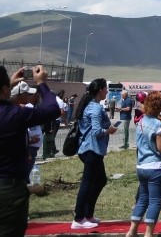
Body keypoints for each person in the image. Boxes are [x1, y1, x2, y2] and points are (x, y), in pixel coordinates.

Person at [0, 65, 60, 237]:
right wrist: (42, 83)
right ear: (4, 88)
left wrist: (9, 85)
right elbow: (52, 110)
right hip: (8, 189)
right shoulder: (14, 114)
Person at [71, 78, 118, 230]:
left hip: (90, 149)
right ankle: (78, 218)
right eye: (106, 89)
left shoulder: (90, 105)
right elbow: (97, 132)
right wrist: (109, 131)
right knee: (87, 183)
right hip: (92, 149)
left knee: (100, 180)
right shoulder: (95, 108)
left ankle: (88, 214)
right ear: (100, 90)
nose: (107, 91)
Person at [126, 91, 161, 237]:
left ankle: (132, 231)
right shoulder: (158, 124)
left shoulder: (141, 121)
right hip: (156, 167)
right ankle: (148, 233)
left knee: (142, 199)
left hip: (141, 165)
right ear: (160, 106)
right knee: (155, 201)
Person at [12, 83, 42, 167]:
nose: (30, 96)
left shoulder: (29, 107)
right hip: (29, 147)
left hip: (31, 146)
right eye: (28, 94)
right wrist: (30, 141)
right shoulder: (25, 109)